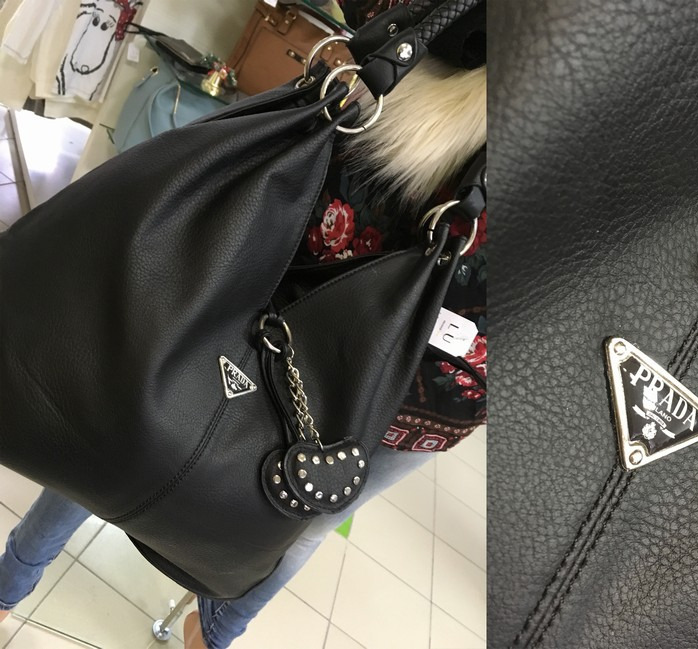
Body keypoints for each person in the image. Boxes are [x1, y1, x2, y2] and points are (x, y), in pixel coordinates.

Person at [0, 1, 486, 647]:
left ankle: (11, 584)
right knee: (297, 507)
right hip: (449, 362)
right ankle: (212, 635)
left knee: (131, 398)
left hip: (333, 252)